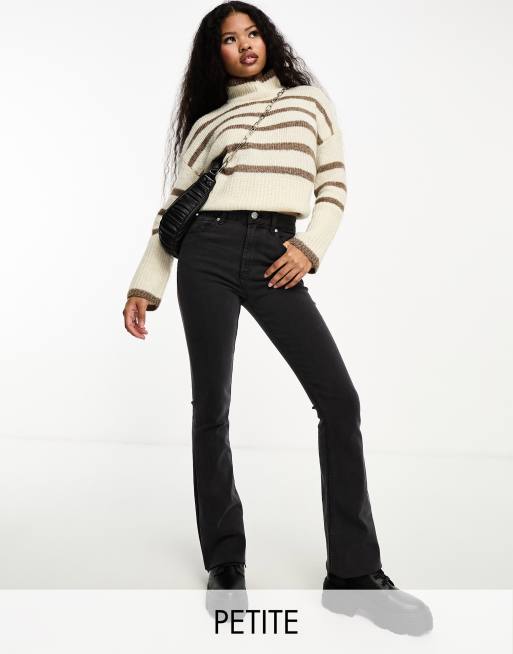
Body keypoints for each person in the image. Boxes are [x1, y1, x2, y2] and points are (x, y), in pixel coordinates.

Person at [122, 2, 432, 633]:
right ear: (215, 54)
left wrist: (309, 247)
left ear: (268, 39)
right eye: (229, 39)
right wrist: (145, 284)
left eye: (252, 33)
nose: (244, 45)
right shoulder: (207, 123)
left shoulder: (309, 102)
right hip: (205, 252)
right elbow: (172, 208)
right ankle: (225, 561)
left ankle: (353, 574)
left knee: (339, 401)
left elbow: (333, 186)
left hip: (276, 254)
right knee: (212, 407)